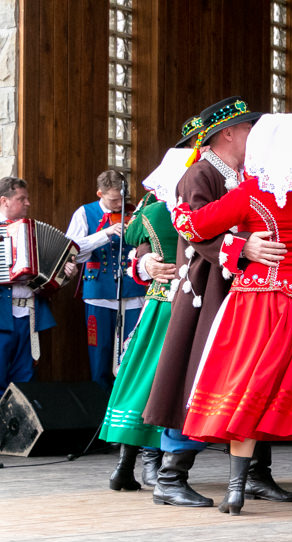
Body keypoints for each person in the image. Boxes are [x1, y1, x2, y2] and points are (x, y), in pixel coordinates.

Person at [172, 113, 292, 516]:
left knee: (247, 384)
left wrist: (179, 214)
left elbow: (198, 225)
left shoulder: (250, 193)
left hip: (258, 301)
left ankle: (236, 490)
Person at [142, 98, 292, 509]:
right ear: (228, 133)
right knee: (197, 373)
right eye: (248, 128)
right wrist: (244, 247)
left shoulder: (245, 175)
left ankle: (255, 473)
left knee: (251, 376)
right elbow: (193, 230)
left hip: (240, 291)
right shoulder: (200, 174)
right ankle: (171, 476)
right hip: (207, 292)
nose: (254, 136)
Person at [98, 147, 190, 492]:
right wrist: (144, 262)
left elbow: (134, 236)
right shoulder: (194, 210)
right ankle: (153, 464)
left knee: (140, 380)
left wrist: (145, 259)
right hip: (180, 306)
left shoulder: (150, 212)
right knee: (161, 382)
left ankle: (125, 465)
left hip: (155, 304)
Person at [66, 170, 148, 391]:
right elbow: (71, 251)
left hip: (133, 294)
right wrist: (106, 233)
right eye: (113, 199)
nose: (119, 204)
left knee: (130, 353)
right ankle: (99, 410)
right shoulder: (84, 213)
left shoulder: (136, 213)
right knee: (100, 352)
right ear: (99, 193)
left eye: (122, 198)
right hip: (98, 294)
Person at [1, 177, 76, 392]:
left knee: (24, 379)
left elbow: (52, 280)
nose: (28, 203)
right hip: (1, 315)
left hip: (29, 315)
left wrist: (66, 274)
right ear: (4, 201)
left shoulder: (30, 232)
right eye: (21, 198)